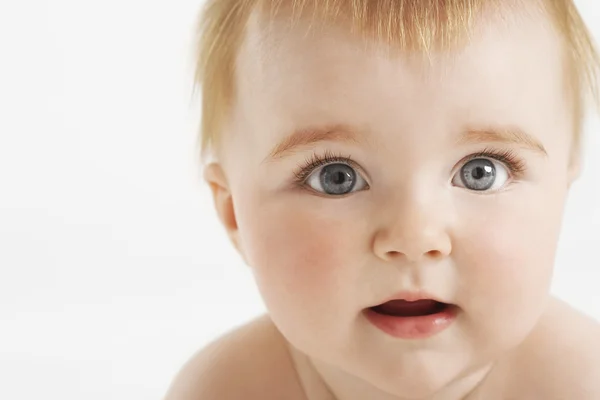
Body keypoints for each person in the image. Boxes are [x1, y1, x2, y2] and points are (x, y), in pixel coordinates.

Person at [165, 0, 600, 398]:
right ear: (234, 214)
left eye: (480, 173)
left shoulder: (580, 383)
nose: (414, 237)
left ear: (563, 190)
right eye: (337, 177)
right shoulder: (225, 389)